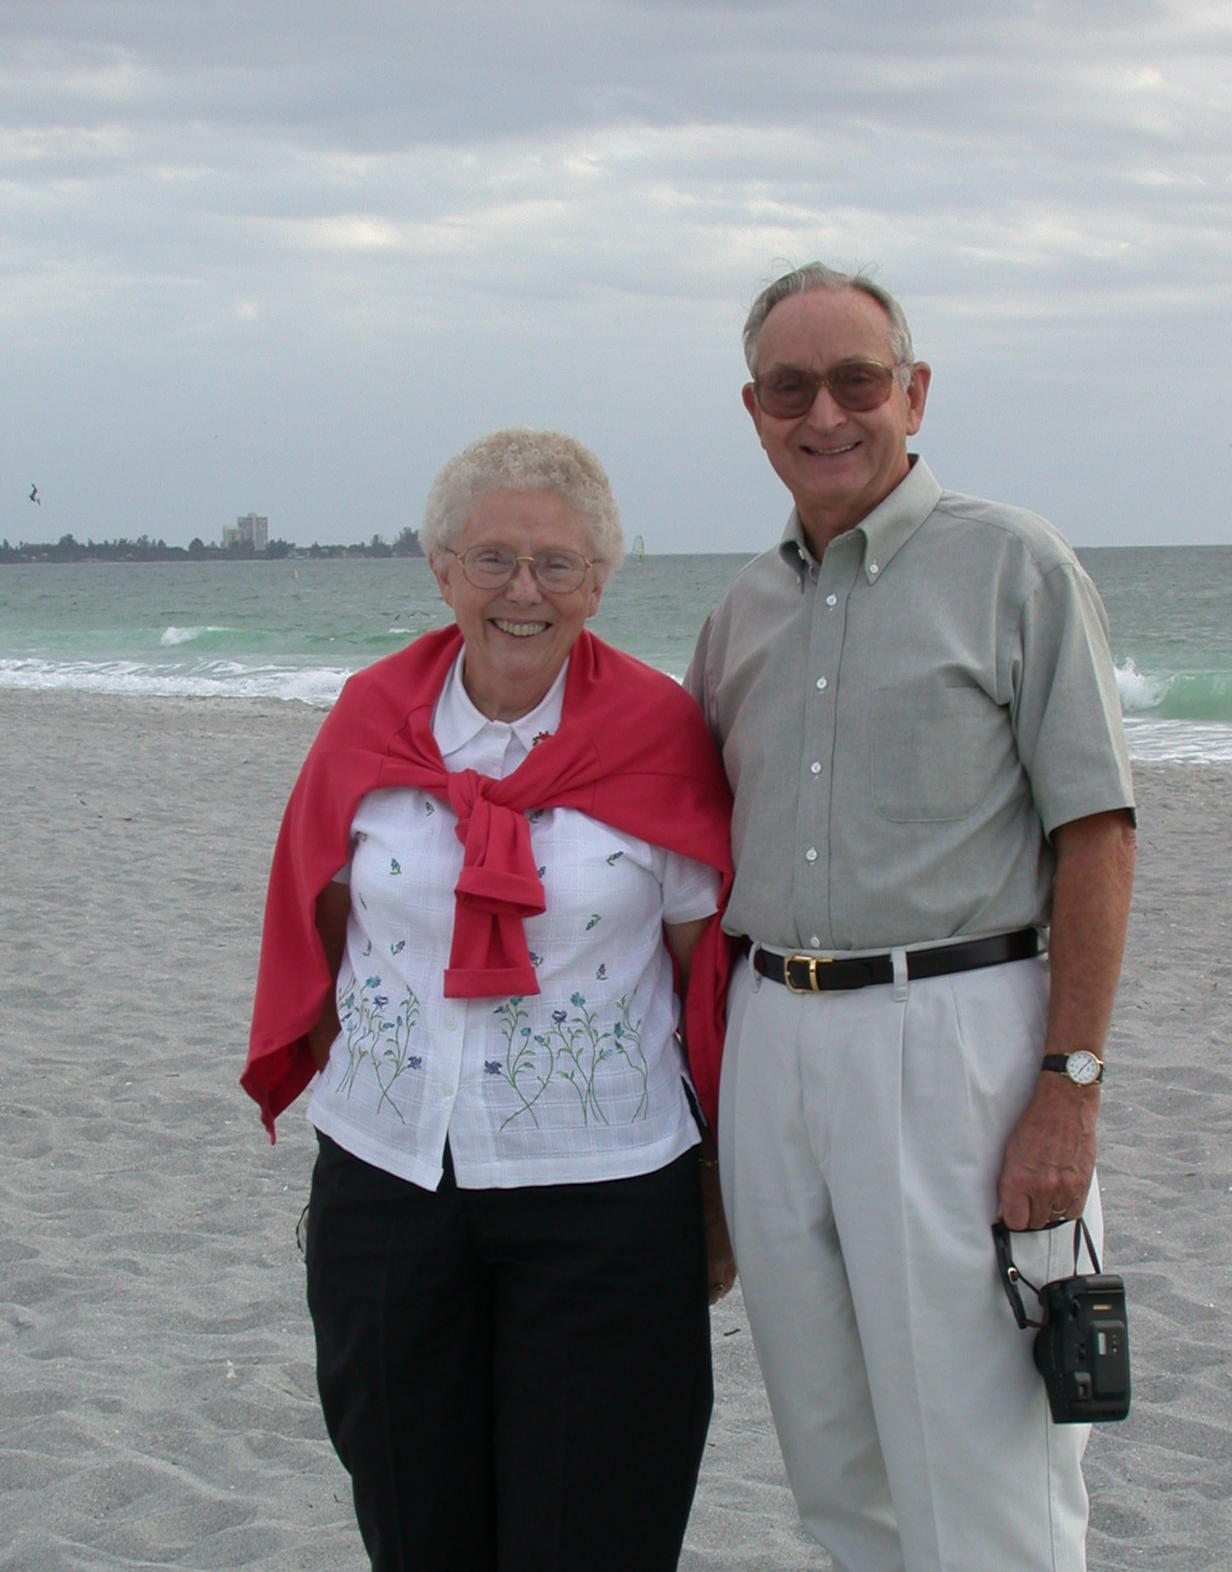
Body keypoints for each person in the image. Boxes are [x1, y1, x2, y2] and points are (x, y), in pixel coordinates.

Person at [686, 264, 1136, 1572]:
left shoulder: (1014, 565)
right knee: (836, 1468)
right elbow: (701, 870)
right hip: (774, 1040)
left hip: (958, 1042)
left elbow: (1097, 836)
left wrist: (1072, 1086)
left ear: (913, 393)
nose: (825, 412)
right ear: (754, 410)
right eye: (790, 387)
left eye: (857, 381)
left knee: (987, 1471)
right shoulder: (741, 613)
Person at [243, 427, 735, 1572]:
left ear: (601, 581)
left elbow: (705, 981)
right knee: (415, 1531)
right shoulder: (368, 719)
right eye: (493, 559)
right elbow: (318, 923)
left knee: (594, 1535)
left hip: (605, 1201)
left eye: (557, 564)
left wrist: (716, 1193)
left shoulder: (660, 735)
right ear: (441, 568)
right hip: (386, 1188)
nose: (524, 591)